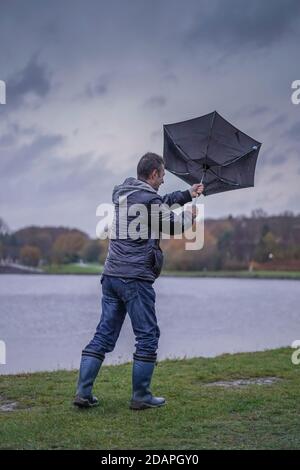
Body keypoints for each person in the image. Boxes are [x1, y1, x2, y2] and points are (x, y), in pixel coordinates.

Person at [74, 152, 204, 410]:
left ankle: (83, 393)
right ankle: (141, 396)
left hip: (111, 276)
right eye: (163, 176)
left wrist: (188, 194)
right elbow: (172, 225)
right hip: (135, 279)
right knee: (148, 336)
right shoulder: (148, 199)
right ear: (154, 174)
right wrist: (190, 216)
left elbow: (160, 201)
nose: (163, 180)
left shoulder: (125, 194)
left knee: (103, 335)